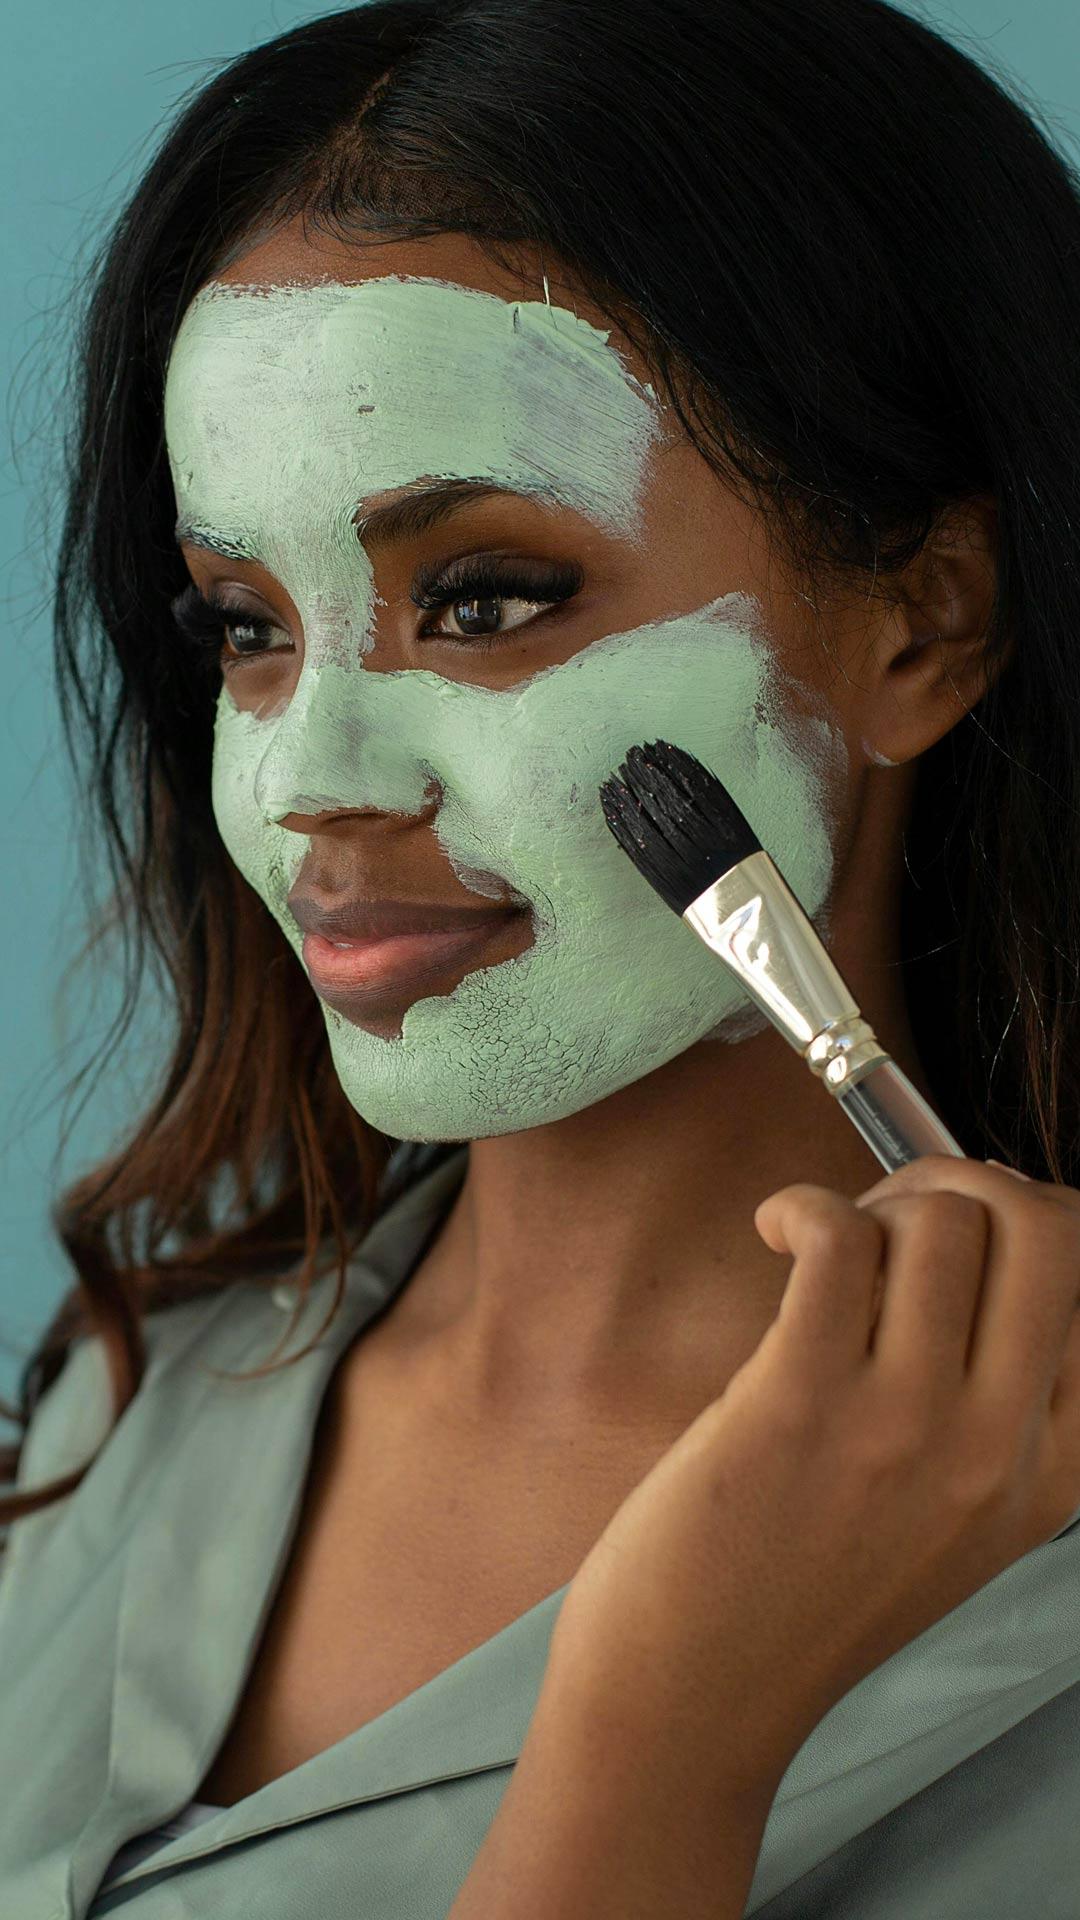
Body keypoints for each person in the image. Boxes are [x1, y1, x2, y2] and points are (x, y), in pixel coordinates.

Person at [2, 1, 1080, 1914]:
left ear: (925, 625)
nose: (312, 778)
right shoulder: (134, 1398)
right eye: (246, 628)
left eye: (486, 599)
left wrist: (672, 1738)